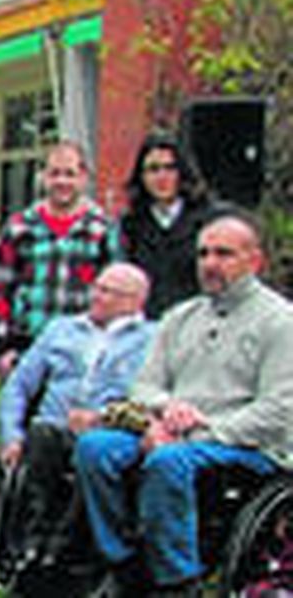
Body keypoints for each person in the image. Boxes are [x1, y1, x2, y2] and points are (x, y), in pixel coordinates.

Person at [73, 211, 293, 595]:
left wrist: (200, 431)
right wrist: (164, 410)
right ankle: (121, 561)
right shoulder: (180, 317)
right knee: (96, 448)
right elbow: (143, 386)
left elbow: (278, 409)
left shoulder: (280, 322)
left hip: (249, 446)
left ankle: (177, 579)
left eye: (224, 254)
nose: (210, 263)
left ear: (255, 261)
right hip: (174, 433)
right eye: (203, 253)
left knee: (168, 461)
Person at [0, 263, 156, 581]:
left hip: (109, 431)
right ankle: (28, 543)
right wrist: (11, 435)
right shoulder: (61, 329)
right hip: (52, 429)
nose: (96, 296)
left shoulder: (153, 338)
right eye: (97, 287)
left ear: (135, 301)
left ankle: (62, 546)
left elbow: (153, 395)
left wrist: (102, 418)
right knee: (43, 435)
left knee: (91, 449)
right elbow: (18, 386)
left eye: (108, 292)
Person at [0, 140, 119, 376]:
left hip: (84, 353)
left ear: (84, 178)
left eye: (69, 174)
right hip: (27, 350)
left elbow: (115, 296)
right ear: (43, 177)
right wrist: (1, 348)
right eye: (54, 173)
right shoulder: (19, 228)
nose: (61, 181)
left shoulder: (101, 230)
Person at [118, 133, 214, 318]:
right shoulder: (131, 224)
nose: (161, 177)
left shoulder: (208, 220)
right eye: (153, 169)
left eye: (169, 168)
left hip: (195, 319)